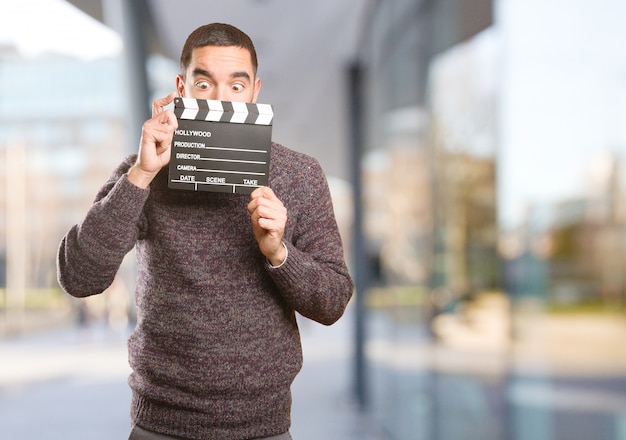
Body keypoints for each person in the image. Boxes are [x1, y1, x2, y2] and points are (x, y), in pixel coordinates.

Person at [56, 23, 353, 440]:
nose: (219, 98)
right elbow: (79, 278)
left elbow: (333, 301)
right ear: (182, 89)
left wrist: (279, 253)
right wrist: (141, 175)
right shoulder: (144, 170)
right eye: (204, 83)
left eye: (236, 85)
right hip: (160, 423)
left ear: (254, 92)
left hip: (264, 426)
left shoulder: (300, 175)